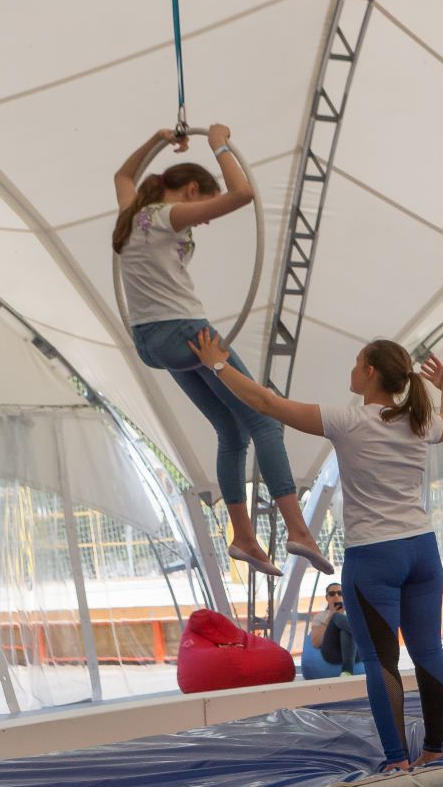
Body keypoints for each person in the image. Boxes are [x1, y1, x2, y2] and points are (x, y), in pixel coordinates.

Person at [193, 331, 443, 771]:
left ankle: (397, 760)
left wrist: (217, 366)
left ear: (370, 372)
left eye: (357, 363)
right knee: (428, 651)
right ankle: (434, 749)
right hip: (421, 551)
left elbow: (266, 405)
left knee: (380, 660)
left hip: (375, 557)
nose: (352, 370)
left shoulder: (349, 420)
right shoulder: (419, 422)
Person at [112, 125, 329, 578]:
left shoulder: (132, 213)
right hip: (187, 330)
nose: (204, 219)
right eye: (201, 205)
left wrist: (156, 140)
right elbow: (243, 192)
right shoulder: (170, 214)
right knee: (265, 419)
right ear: (192, 190)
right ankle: (297, 530)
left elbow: (122, 174)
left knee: (232, 431)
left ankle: (245, 538)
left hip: (151, 342)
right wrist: (220, 143)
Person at [310, 582, 358, 675]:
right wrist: (331, 617)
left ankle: (347, 672)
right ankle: (362, 636)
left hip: (354, 653)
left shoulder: (353, 614)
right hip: (332, 653)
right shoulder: (319, 617)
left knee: (345, 631)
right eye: (332, 594)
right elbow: (316, 643)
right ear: (327, 598)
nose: (336, 596)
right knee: (337, 616)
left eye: (340, 593)